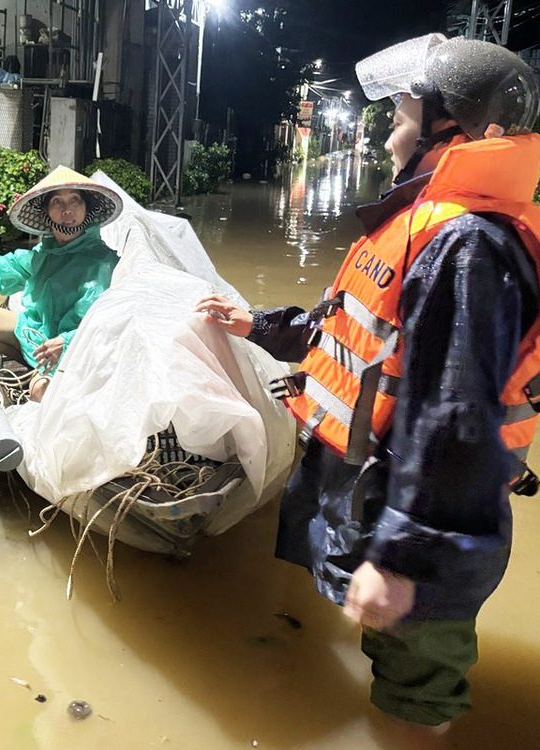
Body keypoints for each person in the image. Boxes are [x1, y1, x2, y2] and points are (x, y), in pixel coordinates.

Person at [196, 34, 540, 729]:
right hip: (372, 498)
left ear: (467, 132)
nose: (388, 133)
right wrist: (257, 325)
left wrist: (404, 560)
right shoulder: (424, 229)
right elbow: (357, 338)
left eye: (405, 114)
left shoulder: (465, 245)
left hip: (418, 524)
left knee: (414, 701)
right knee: (374, 650)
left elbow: (457, 423)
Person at [0, 165, 122, 401]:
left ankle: (41, 377)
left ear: (87, 208)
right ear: (46, 213)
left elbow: (103, 324)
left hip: (78, 345)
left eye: (75, 200)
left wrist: (64, 342)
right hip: (38, 335)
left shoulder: (102, 262)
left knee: (40, 392)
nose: (67, 210)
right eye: (57, 202)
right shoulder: (43, 254)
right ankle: (33, 366)